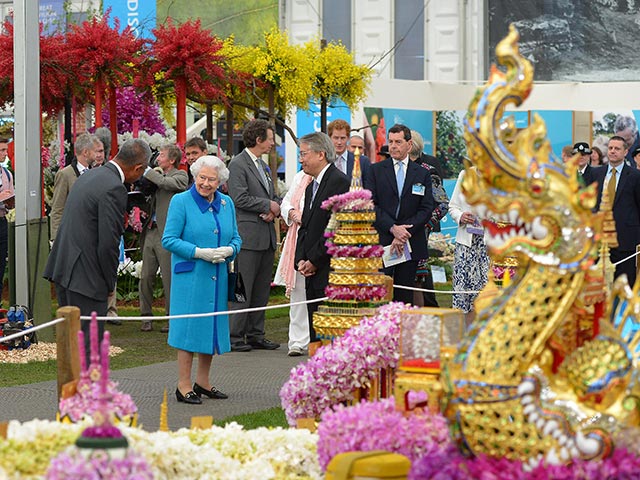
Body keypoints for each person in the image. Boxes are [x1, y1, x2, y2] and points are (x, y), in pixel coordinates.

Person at [44, 139, 151, 359]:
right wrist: (109, 281)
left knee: (71, 348)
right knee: (88, 351)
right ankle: (85, 394)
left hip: (66, 269)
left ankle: (72, 393)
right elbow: (108, 243)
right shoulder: (113, 187)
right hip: (87, 277)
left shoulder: (91, 175)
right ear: (138, 168)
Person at [162, 155, 241, 404]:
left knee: (211, 329)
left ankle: (203, 382)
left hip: (217, 277)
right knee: (188, 330)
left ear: (221, 182)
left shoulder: (227, 203)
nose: (205, 183)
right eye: (202, 178)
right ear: (195, 176)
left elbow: (236, 238)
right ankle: (183, 384)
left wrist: (230, 250)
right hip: (191, 277)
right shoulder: (181, 201)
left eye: (212, 179)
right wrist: (199, 252)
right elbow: (169, 239)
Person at [227, 119, 281, 352]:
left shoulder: (265, 166)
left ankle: (256, 333)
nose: (272, 143)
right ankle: (235, 335)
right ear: (258, 139)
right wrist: (267, 205)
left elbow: (274, 197)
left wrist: (272, 208)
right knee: (242, 289)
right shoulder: (238, 164)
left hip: (265, 237)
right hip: (247, 238)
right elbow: (239, 198)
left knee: (260, 290)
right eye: (270, 138)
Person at [365, 124, 434, 305]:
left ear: (409, 145)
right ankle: (381, 333)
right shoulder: (375, 170)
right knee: (380, 295)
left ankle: (402, 333)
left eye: (398, 142)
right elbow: (371, 204)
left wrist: (403, 233)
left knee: (404, 298)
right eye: (391, 142)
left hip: (410, 243)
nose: (393, 146)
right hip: (383, 241)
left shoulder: (422, 174)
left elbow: (426, 208)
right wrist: (393, 228)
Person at [295, 132, 350, 344]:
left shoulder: (340, 183)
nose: (301, 159)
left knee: (331, 336)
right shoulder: (311, 186)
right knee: (315, 334)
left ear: (321, 154)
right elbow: (305, 226)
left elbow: (336, 230)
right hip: (312, 272)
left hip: (330, 271)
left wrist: (314, 260)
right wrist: (300, 258)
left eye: (304, 154)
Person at [139, 144, 188, 332]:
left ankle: (171, 318)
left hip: (167, 235)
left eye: (161, 155)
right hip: (151, 231)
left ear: (172, 160)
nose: (158, 158)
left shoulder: (180, 175)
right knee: (145, 276)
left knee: (168, 278)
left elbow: (169, 184)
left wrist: (149, 172)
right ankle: (145, 316)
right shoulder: (156, 176)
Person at [274, 168, 313, 356]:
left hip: (320, 239)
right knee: (298, 290)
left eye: (306, 154)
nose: (302, 159)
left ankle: (319, 339)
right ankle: (297, 341)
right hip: (297, 238)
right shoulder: (299, 176)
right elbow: (286, 202)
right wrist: (291, 212)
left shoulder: (332, 178)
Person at [593, 135, 640, 288]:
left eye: (617, 149)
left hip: (626, 242)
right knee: (598, 288)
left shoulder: (635, 176)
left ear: (625, 152)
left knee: (624, 286)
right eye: (611, 148)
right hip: (599, 241)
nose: (613, 151)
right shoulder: (596, 174)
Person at [409, 130, 449, 307]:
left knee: (418, 280)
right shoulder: (390, 169)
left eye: (399, 142)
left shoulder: (427, 171)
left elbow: (443, 204)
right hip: (395, 233)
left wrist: (426, 224)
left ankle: (421, 324)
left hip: (418, 234)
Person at [449, 168, 490, 327]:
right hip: (466, 246)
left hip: (488, 247)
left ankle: (482, 340)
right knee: (462, 298)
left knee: (485, 296)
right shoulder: (465, 174)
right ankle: (462, 341)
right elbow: (452, 207)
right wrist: (460, 216)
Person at [49, 133, 101, 242]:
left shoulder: (96, 172)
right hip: (72, 235)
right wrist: (56, 239)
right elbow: (57, 209)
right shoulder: (65, 174)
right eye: (94, 151)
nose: (97, 155)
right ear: (85, 152)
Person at [327, 119, 371, 184]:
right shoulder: (324, 160)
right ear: (329, 138)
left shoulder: (362, 161)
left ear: (348, 138)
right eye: (336, 138)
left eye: (342, 138)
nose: (339, 142)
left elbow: (368, 187)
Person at [0, 149, 14, 305]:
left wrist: (11, 202)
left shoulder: (7, 174)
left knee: (1, 267)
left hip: (2, 221)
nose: (5, 153)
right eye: (2, 150)